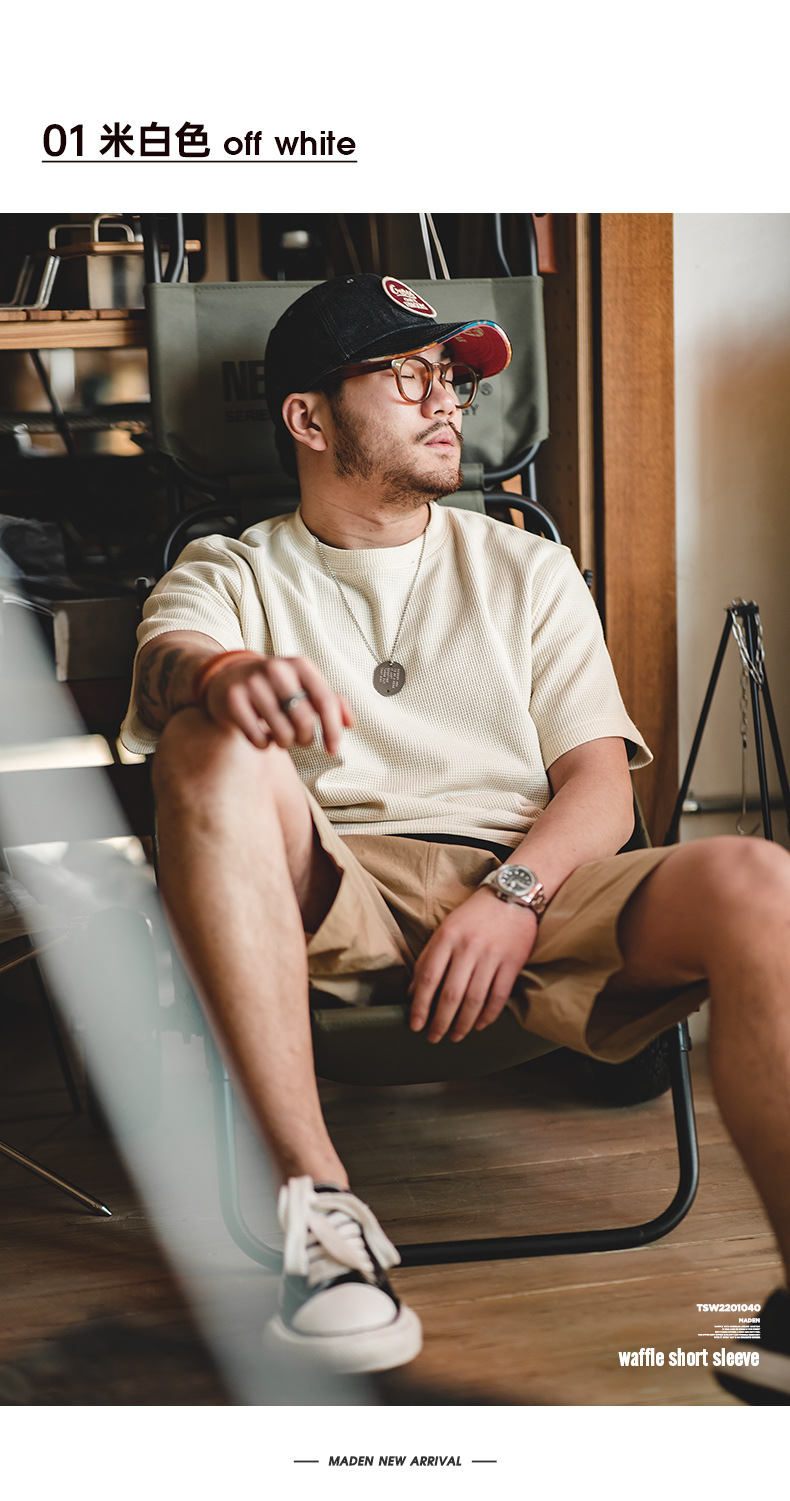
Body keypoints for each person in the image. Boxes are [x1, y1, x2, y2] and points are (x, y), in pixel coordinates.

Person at [122, 273, 790, 1399]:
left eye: (453, 379)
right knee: (202, 741)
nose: (446, 400)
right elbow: (168, 657)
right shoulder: (233, 569)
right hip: (329, 884)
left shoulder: (526, 566)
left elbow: (599, 788)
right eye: (406, 375)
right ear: (308, 417)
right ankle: (325, 1221)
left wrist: (513, 894)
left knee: (759, 876)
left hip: (530, 879)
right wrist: (226, 673)